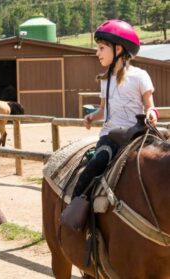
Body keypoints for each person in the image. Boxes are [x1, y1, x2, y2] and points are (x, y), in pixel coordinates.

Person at [63, 20, 158, 224]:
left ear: (118, 48)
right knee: (97, 162)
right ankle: (77, 206)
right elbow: (103, 109)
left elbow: (149, 105)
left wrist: (151, 113)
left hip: (137, 134)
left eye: (101, 48)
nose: (97, 53)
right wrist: (92, 116)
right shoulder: (105, 79)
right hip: (110, 135)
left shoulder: (140, 76)